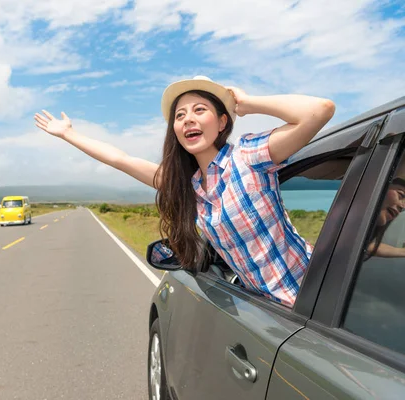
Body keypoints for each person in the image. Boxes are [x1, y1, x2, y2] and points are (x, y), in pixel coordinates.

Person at [34, 76, 335, 307]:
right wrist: (68, 134)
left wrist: (248, 103)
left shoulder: (248, 156)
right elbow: (121, 160)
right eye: (180, 115)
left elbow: (320, 111)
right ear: (176, 132)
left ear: (221, 123)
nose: (187, 118)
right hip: (271, 314)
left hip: (315, 300)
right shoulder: (187, 186)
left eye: (199, 110)